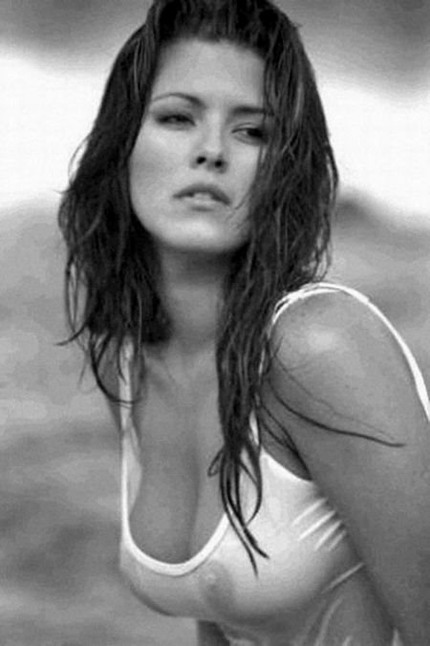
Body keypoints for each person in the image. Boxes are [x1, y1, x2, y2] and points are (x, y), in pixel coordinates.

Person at [58, 0, 430, 644]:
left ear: (285, 165)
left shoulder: (317, 347)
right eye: (177, 117)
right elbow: (225, 621)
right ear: (123, 143)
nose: (211, 152)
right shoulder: (129, 360)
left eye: (252, 132)